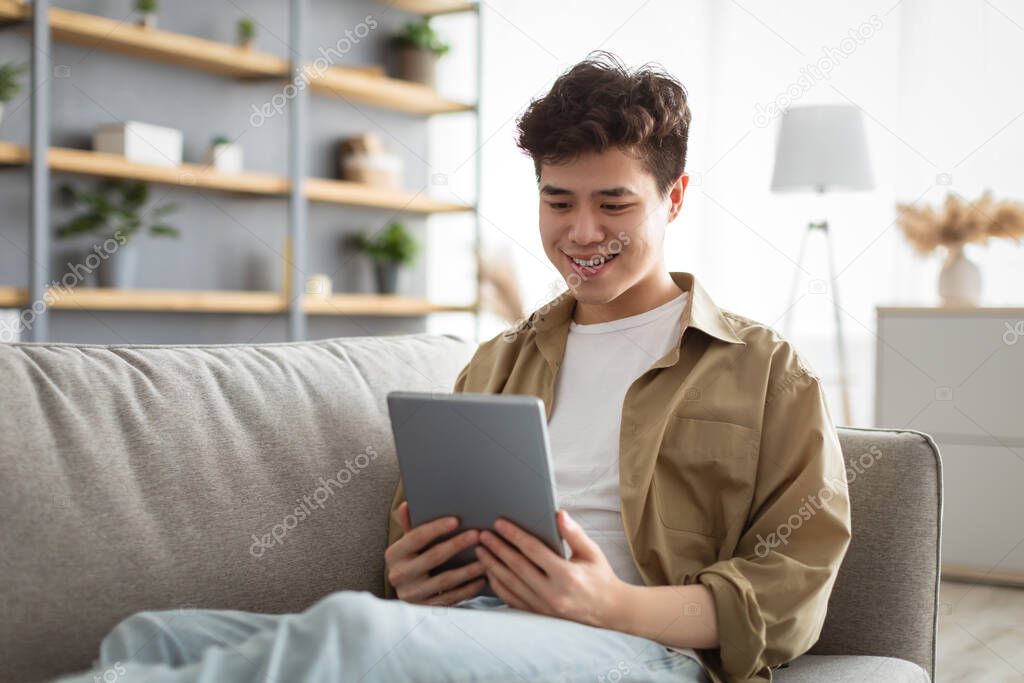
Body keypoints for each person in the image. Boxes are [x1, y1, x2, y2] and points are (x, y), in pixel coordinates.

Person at [59, 50, 850, 683]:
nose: (580, 231)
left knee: (353, 631)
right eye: (557, 200)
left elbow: (794, 586)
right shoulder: (500, 360)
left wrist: (611, 604)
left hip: (639, 652)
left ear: (673, 198)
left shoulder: (765, 370)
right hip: (470, 626)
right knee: (152, 635)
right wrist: (412, 571)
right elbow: (420, 532)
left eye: (614, 204)